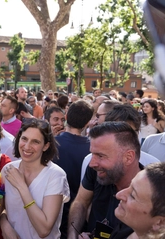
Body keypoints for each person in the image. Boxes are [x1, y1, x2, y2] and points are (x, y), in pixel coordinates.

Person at [68, 122, 142, 239]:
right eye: (92, 154)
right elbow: (81, 202)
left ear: (128, 157)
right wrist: (72, 235)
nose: (92, 163)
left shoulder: (150, 192)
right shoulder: (97, 170)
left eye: (101, 156)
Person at [0, 119, 70, 239]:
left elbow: (44, 230)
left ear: (46, 146)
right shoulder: (8, 170)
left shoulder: (56, 175)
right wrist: (4, 224)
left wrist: (22, 187)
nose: (27, 146)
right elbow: (2, 208)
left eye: (35, 142)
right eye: (24, 139)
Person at [54, 100, 94, 239]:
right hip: (79, 219)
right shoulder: (94, 149)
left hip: (52, 212)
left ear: (65, 117)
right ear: (87, 122)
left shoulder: (50, 145)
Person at [113, 162, 165, 239]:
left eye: (133, 196)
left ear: (160, 223)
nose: (119, 195)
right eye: (129, 186)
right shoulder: (129, 226)